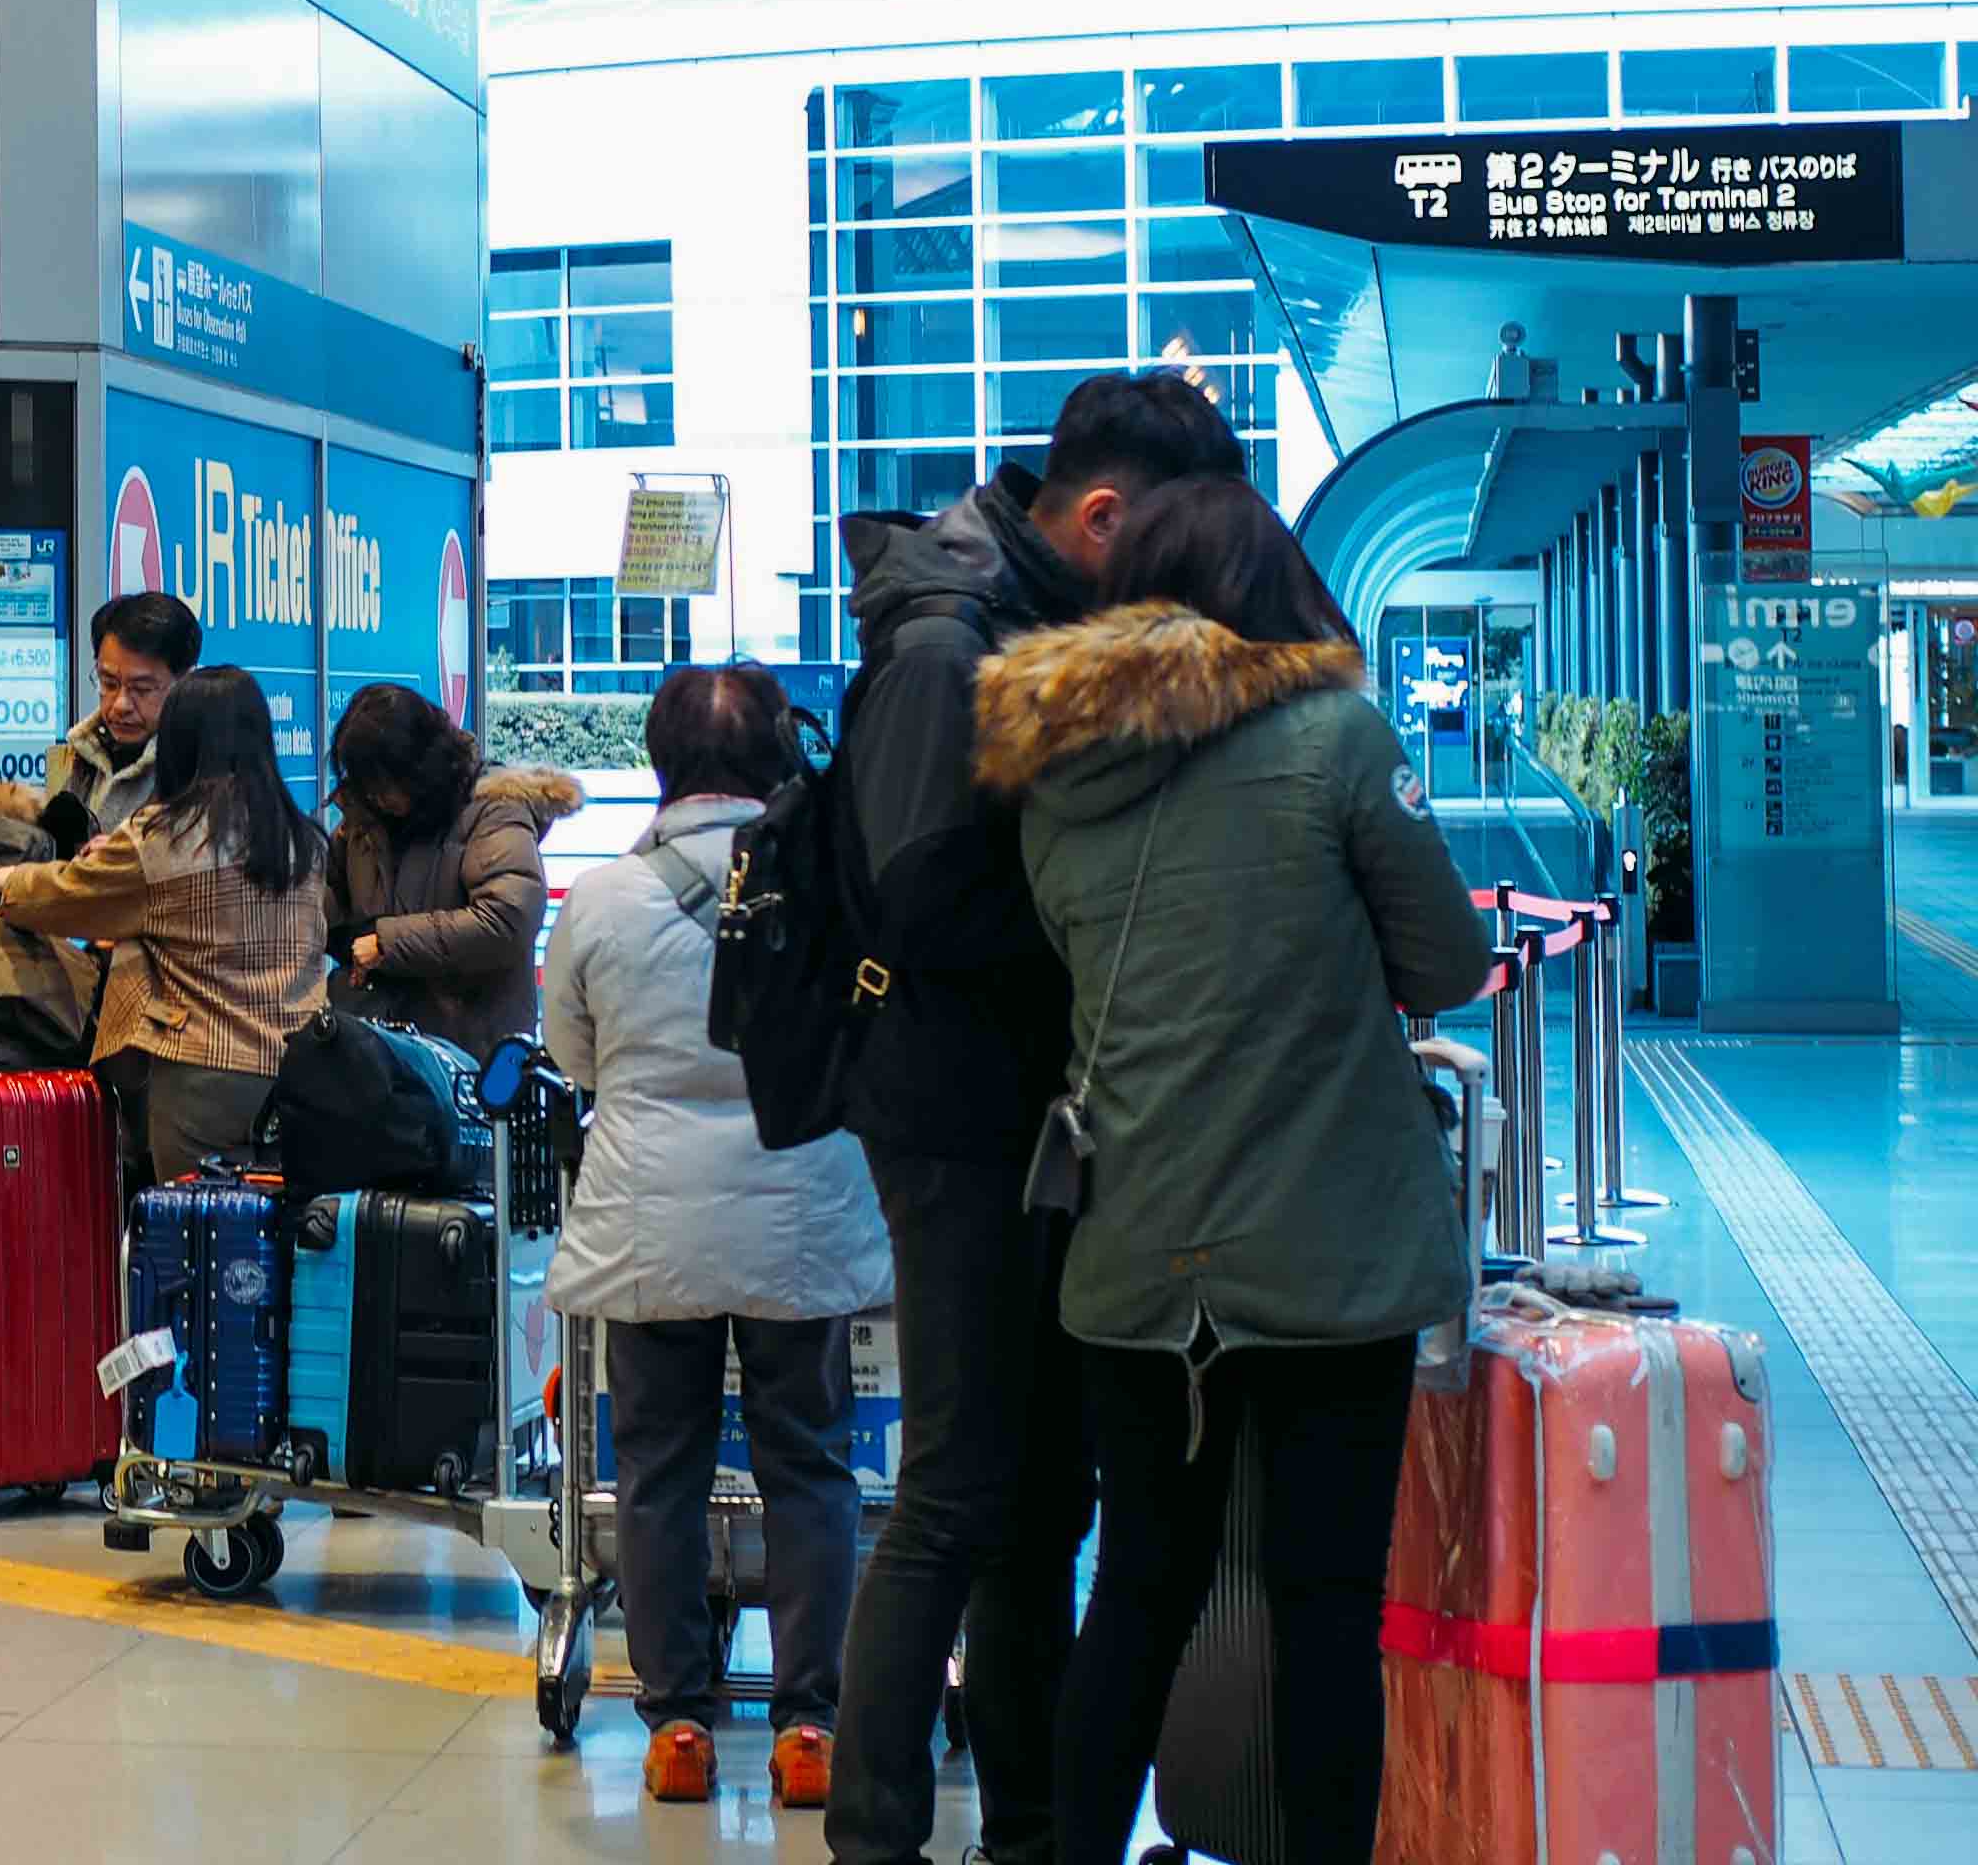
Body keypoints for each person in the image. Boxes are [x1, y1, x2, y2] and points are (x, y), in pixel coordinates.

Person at [977, 474, 1489, 1865]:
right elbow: (1448, 961)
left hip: (1137, 1257)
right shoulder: (1331, 740)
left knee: (1140, 1588)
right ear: (1271, 594)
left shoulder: (1049, 780)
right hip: (1332, 1251)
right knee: (1326, 1605)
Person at [824, 370, 1246, 1865]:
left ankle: (1029, 1830)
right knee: (955, 1487)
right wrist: (1112, 901)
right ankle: (872, 1836)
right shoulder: (944, 646)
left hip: (1035, 1111)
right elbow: (929, 891)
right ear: (1105, 515)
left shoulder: (1027, 619)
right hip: (955, 1118)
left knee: (1044, 1499)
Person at [548, 664, 893, 1810]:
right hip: (804, 1200)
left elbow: (575, 1055)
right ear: (779, 757)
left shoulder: (601, 899)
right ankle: (808, 1728)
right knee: (810, 1464)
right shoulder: (834, 892)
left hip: (651, 1218)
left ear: (661, 760)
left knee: (656, 1473)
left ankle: (679, 1725)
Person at [0, 661, 329, 1187]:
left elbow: (71, 895)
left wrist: (9, 882)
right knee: (278, 1245)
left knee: (196, 1240)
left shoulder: (167, 835)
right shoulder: (300, 838)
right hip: (298, 1071)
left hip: (202, 1079)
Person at [0, 590, 200, 953]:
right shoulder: (76, 758)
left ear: (186, 683)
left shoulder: (200, 771)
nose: (120, 704)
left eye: (142, 689)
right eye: (108, 683)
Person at [322, 682, 580, 1062]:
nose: (377, 797)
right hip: (379, 1056)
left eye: (384, 783)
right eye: (367, 784)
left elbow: (506, 921)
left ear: (417, 766)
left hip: (468, 1060)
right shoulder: (363, 821)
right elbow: (325, 904)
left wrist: (386, 944)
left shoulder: (492, 807)